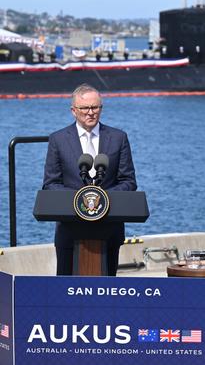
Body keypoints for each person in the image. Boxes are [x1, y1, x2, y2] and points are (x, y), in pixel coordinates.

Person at [43, 84, 137, 276]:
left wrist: (102, 198)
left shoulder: (118, 138)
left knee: (106, 292)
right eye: (85, 108)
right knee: (66, 291)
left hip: (109, 230)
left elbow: (128, 181)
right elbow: (50, 184)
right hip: (70, 230)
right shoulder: (58, 140)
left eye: (95, 107)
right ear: (73, 111)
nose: (90, 113)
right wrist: (82, 198)